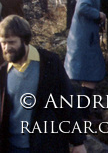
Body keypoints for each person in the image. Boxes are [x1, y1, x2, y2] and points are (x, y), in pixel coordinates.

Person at [0, 15, 88, 152]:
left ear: (25, 40)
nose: (6, 47)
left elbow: (67, 101)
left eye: (11, 42)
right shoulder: (3, 72)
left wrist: (78, 142)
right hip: (12, 147)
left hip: (46, 145)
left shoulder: (49, 63)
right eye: (3, 43)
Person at [63, 0, 107, 114]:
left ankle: (81, 113)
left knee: (85, 76)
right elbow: (83, 8)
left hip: (81, 39)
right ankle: (82, 115)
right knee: (91, 76)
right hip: (85, 41)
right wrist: (98, 14)